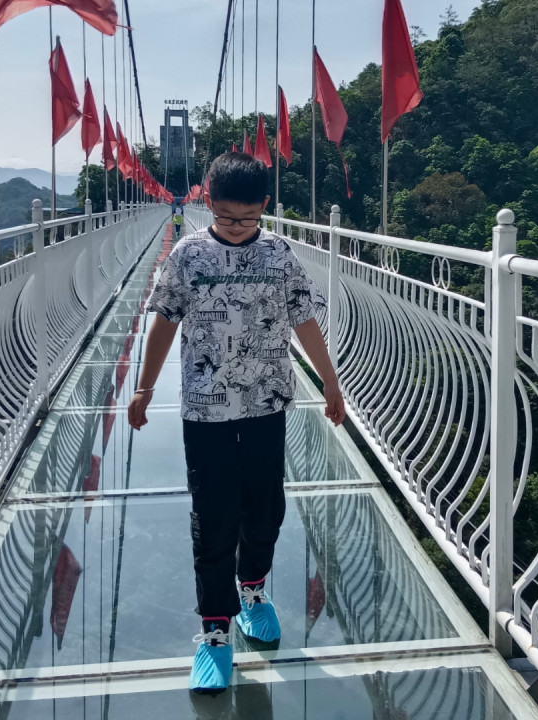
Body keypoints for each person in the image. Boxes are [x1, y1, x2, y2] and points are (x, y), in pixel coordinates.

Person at [128, 152, 345, 694]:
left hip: (267, 403)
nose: (236, 227)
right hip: (207, 411)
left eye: (247, 218)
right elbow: (164, 322)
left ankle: (252, 589)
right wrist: (144, 387)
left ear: (264, 207)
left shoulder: (279, 253)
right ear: (208, 201)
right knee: (213, 516)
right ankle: (215, 629)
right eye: (225, 216)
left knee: (265, 509)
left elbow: (304, 320)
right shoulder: (188, 254)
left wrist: (330, 382)